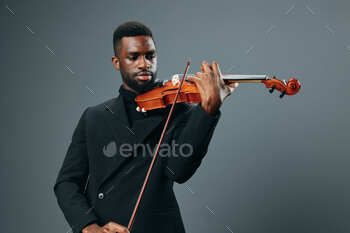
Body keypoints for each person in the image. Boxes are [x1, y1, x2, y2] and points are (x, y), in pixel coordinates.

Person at [53, 21, 238, 233]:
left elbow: (178, 171)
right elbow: (67, 182)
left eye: (150, 55)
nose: (144, 64)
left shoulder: (180, 111)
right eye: (133, 57)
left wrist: (207, 111)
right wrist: (90, 227)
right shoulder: (93, 117)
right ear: (116, 62)